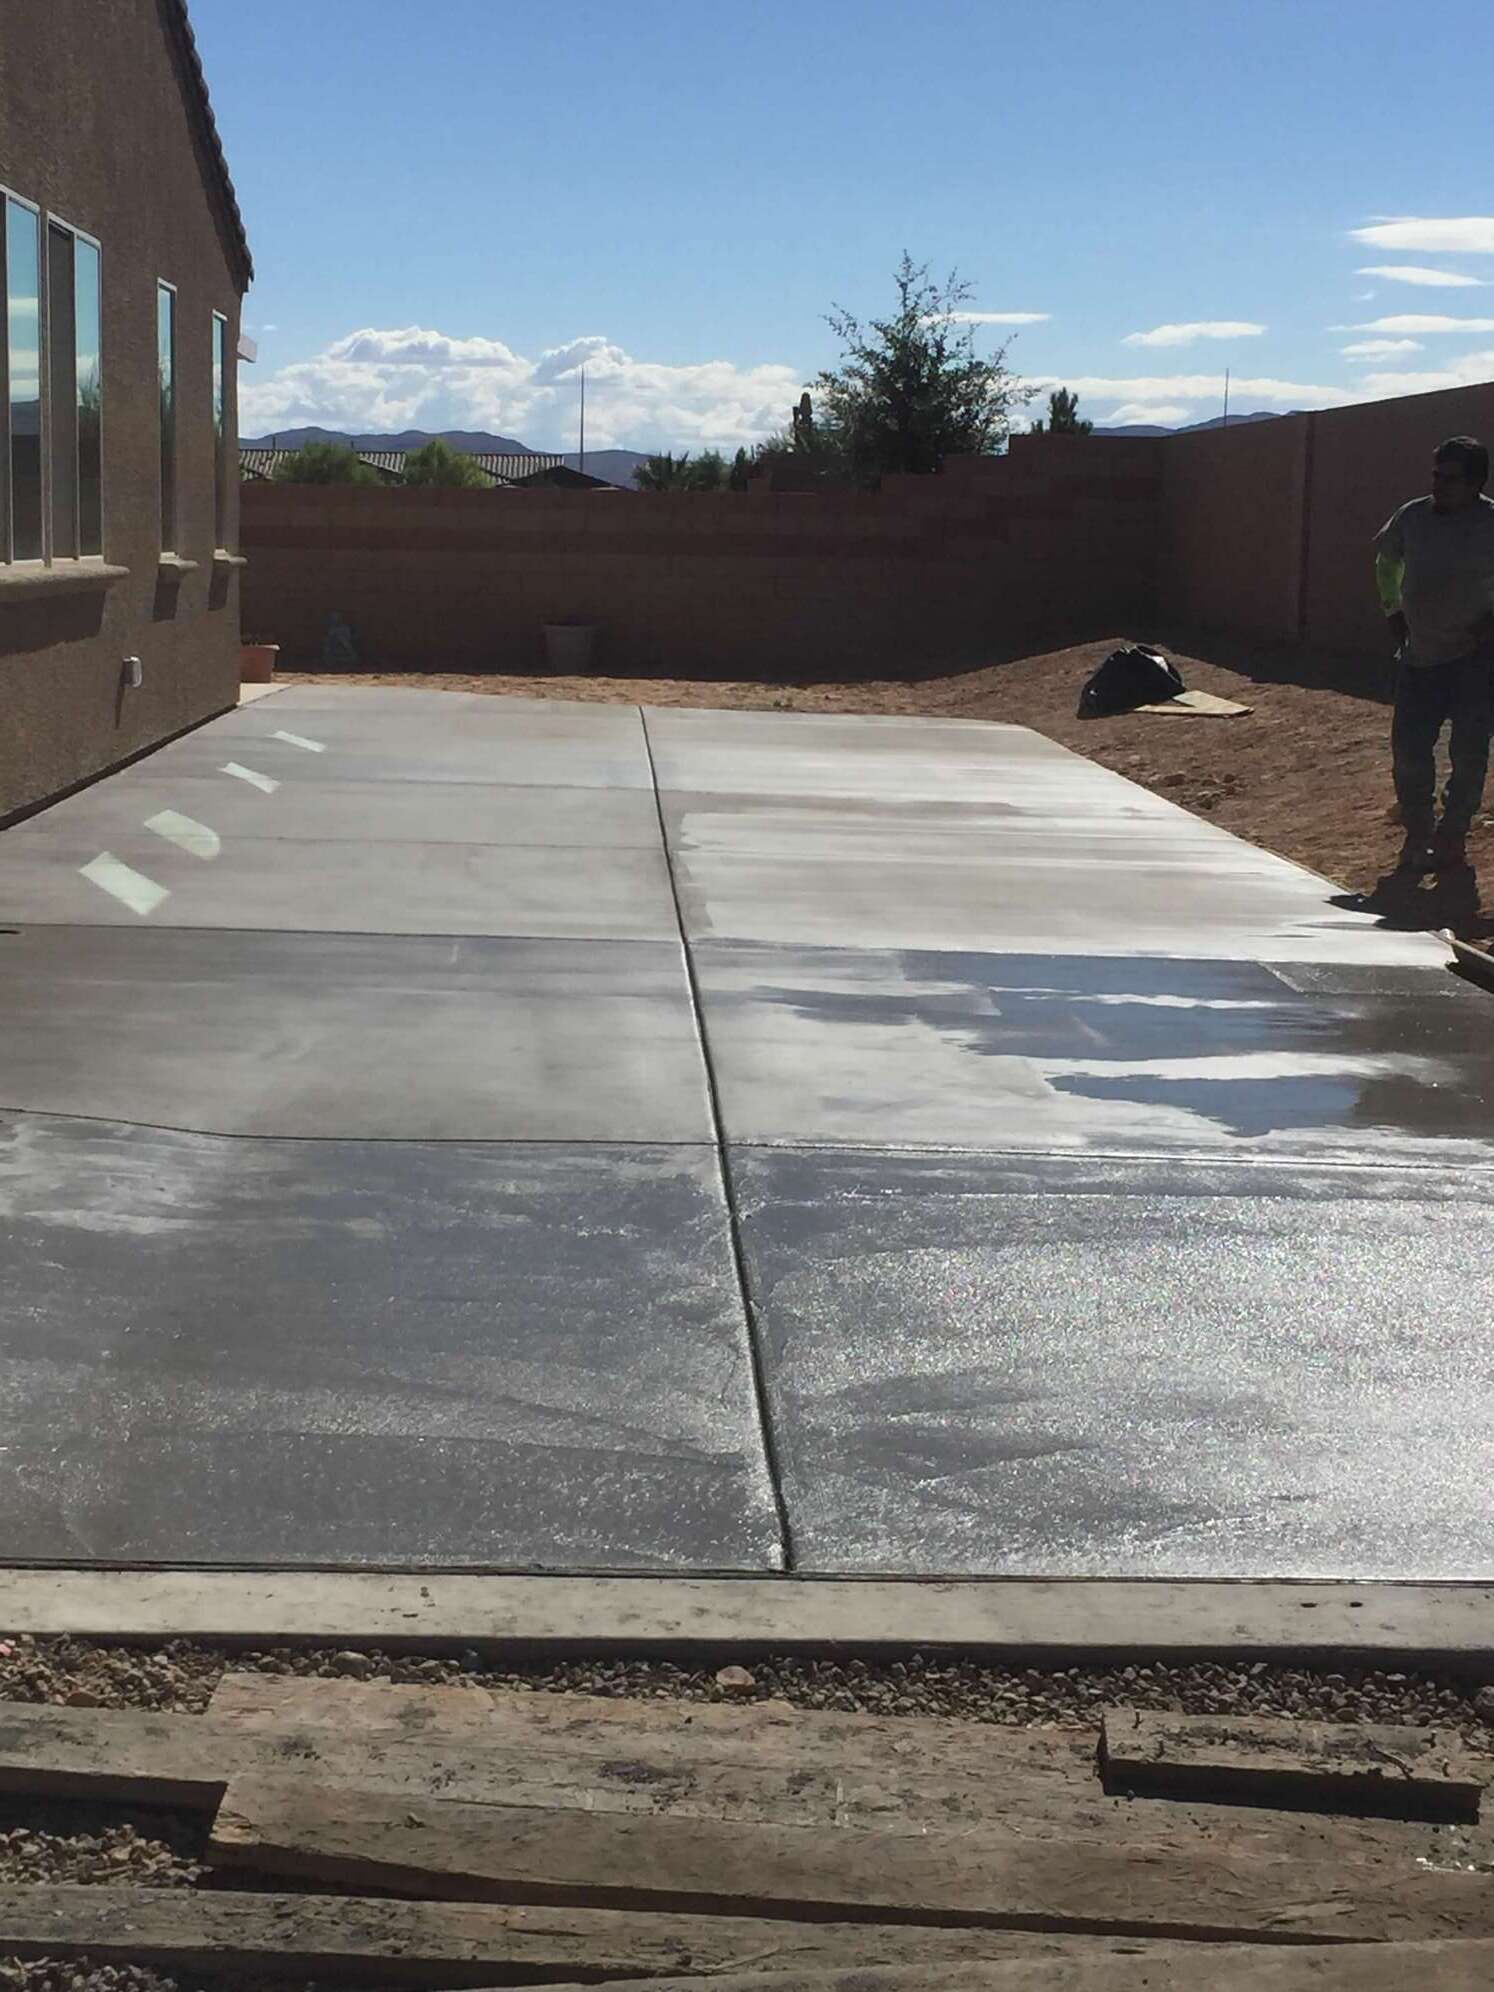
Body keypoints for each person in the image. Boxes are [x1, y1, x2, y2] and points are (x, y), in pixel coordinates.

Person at [1374, 436, 1494, 873]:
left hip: (1474, 660)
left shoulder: (1490, 522)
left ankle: (1453, 835)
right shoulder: (1412, 517)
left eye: (1450, 479)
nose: (1439, 485)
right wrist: (1393, 611)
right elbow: (1386, 563)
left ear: (1476, 482)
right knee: (1409, 751)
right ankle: (1418, 834)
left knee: (1468, 753)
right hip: (1419, 658)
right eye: (1436, 475)